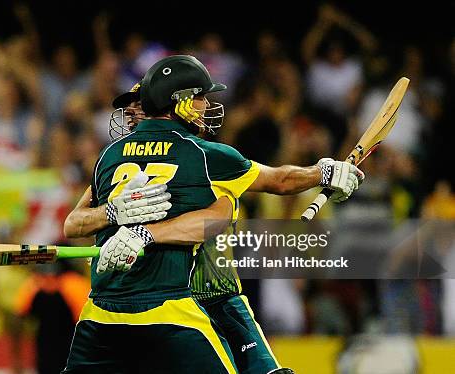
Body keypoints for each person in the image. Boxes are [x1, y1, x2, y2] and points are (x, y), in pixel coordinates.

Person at [63, 55, 364, 373]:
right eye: (201, 96)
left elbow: (220, 215)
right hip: (169, 307)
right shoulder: (205, 156)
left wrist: (138, 230)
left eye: (137, 105)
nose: (207, 104)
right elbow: (279, 181)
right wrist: (323, 172)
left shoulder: (109, 155)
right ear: (178, 102)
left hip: (110, 313)